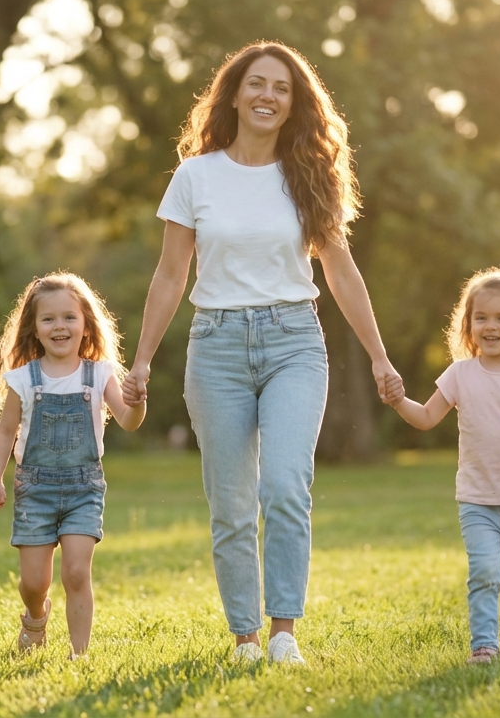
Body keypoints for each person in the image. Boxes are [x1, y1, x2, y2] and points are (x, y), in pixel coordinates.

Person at [120, 41, 404, 665]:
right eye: (257, 83)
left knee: (283, 485)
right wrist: (139, 360)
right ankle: (245, 637)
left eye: (281, 87)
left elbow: (342, 273)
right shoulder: (195, 176)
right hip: (216, 346)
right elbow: (171, 275)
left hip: (293, 342)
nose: (268, 95)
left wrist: (380, 358)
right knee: (230, 501)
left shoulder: (309, 173)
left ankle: (283, 634)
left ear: (294, 101)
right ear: (235, 93)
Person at [388, 268, 500, 665]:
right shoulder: (460, 374)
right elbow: (426, 417)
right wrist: (399, 400)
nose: (491, 326)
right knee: (484, 574)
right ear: (468, 324)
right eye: (481, 317)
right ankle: (483, 646)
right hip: (478, 502)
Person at [0, 273, 146, 657]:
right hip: (34, 489)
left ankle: (79, 655)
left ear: (85, 324)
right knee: (34, 582)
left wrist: (138, 403)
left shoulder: (100, 374)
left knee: (76, 572)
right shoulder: (23, 379)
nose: (60, 326)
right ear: (34, 329)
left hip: (83, 489)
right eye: (49, 319)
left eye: (69, 317)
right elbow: (5, 433)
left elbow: (127, 420)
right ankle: (36, 616)